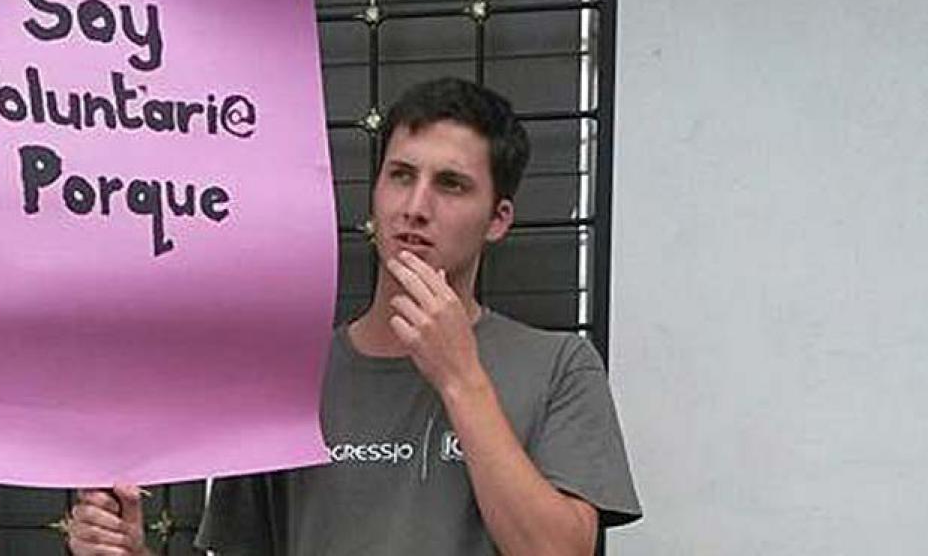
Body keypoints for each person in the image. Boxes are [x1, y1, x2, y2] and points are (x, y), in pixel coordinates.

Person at [66, 78, 642, 555]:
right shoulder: (289, 378)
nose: (416, 207)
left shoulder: (559, 366)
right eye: (400, 176)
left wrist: (458, 375)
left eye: (451, 185)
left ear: (498, 218)